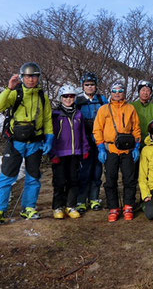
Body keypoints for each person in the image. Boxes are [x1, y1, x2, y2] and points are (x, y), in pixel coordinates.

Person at [0, 62, 54, 223]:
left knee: (33, 176)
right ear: (22, 77)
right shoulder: (15, 93)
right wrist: (9, 88)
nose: (31, 79)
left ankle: (28, 208)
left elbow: (47, 119)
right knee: (7, 175)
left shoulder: (42, 96)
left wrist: (49, 137)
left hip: (35, 142)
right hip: (15, 141)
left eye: (34, 76)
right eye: (28, 76)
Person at [93, 81, 141, 222]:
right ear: (111, 92)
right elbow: (97, 129)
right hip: (110, 149)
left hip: (127, 149)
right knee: (110, 180)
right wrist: (101, 147)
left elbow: (136, 128)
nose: (117, 93)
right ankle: (113, 207)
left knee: (129, 179)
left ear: (124, 92)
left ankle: (128, 206)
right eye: (114, 91)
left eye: (120, 91)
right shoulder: (104, 109)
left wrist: (137, 146)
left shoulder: (130, 108)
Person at [50, 84, 90, 219]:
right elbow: (51, 135)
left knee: (74, 180)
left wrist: (85, 148)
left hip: (75, 152)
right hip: (60, 153)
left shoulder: (78, 114)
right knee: (59, 181)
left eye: (71, 96)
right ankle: (57, 207)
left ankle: (70, 205)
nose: (68, 99)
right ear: (61, 98)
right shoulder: (55, 114)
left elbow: (82, 133)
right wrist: (53, 153)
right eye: (65, 96)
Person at [75, 72, 108, 213]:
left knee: (97, 170)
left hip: (100, 138)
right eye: (87, 85)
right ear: (83, 86)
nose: (89, 87)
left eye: (92, 84)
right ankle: (81, 200)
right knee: (84, 170)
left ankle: (94, 198)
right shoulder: (77, 100)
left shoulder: (102, 99)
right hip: (84, 139)